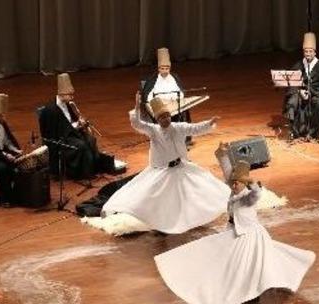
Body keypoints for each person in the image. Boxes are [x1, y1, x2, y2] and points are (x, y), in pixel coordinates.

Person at [154, 162, 316, 304]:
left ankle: (253, 292)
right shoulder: (234, 193)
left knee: (249, 265)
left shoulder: (248, 197)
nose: (234, 185)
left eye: (237, 183)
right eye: (233, 183)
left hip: (249, 235)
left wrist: (250, 181)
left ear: (244, 183)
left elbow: (257, 193)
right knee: (226, 260)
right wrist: (223, 155)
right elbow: (228, 175)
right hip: (234, 232)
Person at [100, 94, 229, 234]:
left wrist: (210, 123)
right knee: (156, 198)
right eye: (162, 117)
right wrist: (137, 106)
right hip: (163, 171)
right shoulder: (154, 130)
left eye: (167, 116)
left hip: (180, 167)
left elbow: (195, 129)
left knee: (196, 190)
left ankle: (191, 218)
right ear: (157, 119)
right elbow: (137, 124)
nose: (166, 119)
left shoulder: (179, 127)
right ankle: (161, 222)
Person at [38, 73, 117, 179]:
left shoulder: (68, 104)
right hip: (61, 138)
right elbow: (55, 131)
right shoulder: (51, 110)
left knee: (91, 139)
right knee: (81, 145)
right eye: (69, 95)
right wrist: (76, 126)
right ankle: (83, 173)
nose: (72, 97)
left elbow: (72, 120)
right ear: (62, 94)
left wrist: (80, 123)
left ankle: (95, 168)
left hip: (72, 133)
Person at [283, 32, 319, 143]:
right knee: (292, 101)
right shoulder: (299, 65)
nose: (308, 54)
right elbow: (291, 82)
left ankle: (315, 133)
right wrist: (299, 91)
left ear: (314, 52)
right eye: (306, 51)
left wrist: (312, 93)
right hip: (300, 94)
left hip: (315, 95)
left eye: (310, 51)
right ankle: (294, 133)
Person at [139, 47, 191, 124]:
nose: (165, 71)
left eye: (167, 68)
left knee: (183, 110)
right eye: (162, 68)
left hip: (173, 106)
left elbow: (181, 92)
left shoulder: (174, 78)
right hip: (159, 107)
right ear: (159, 69)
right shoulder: (153, 80)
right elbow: (148, 97)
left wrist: (176, 98)